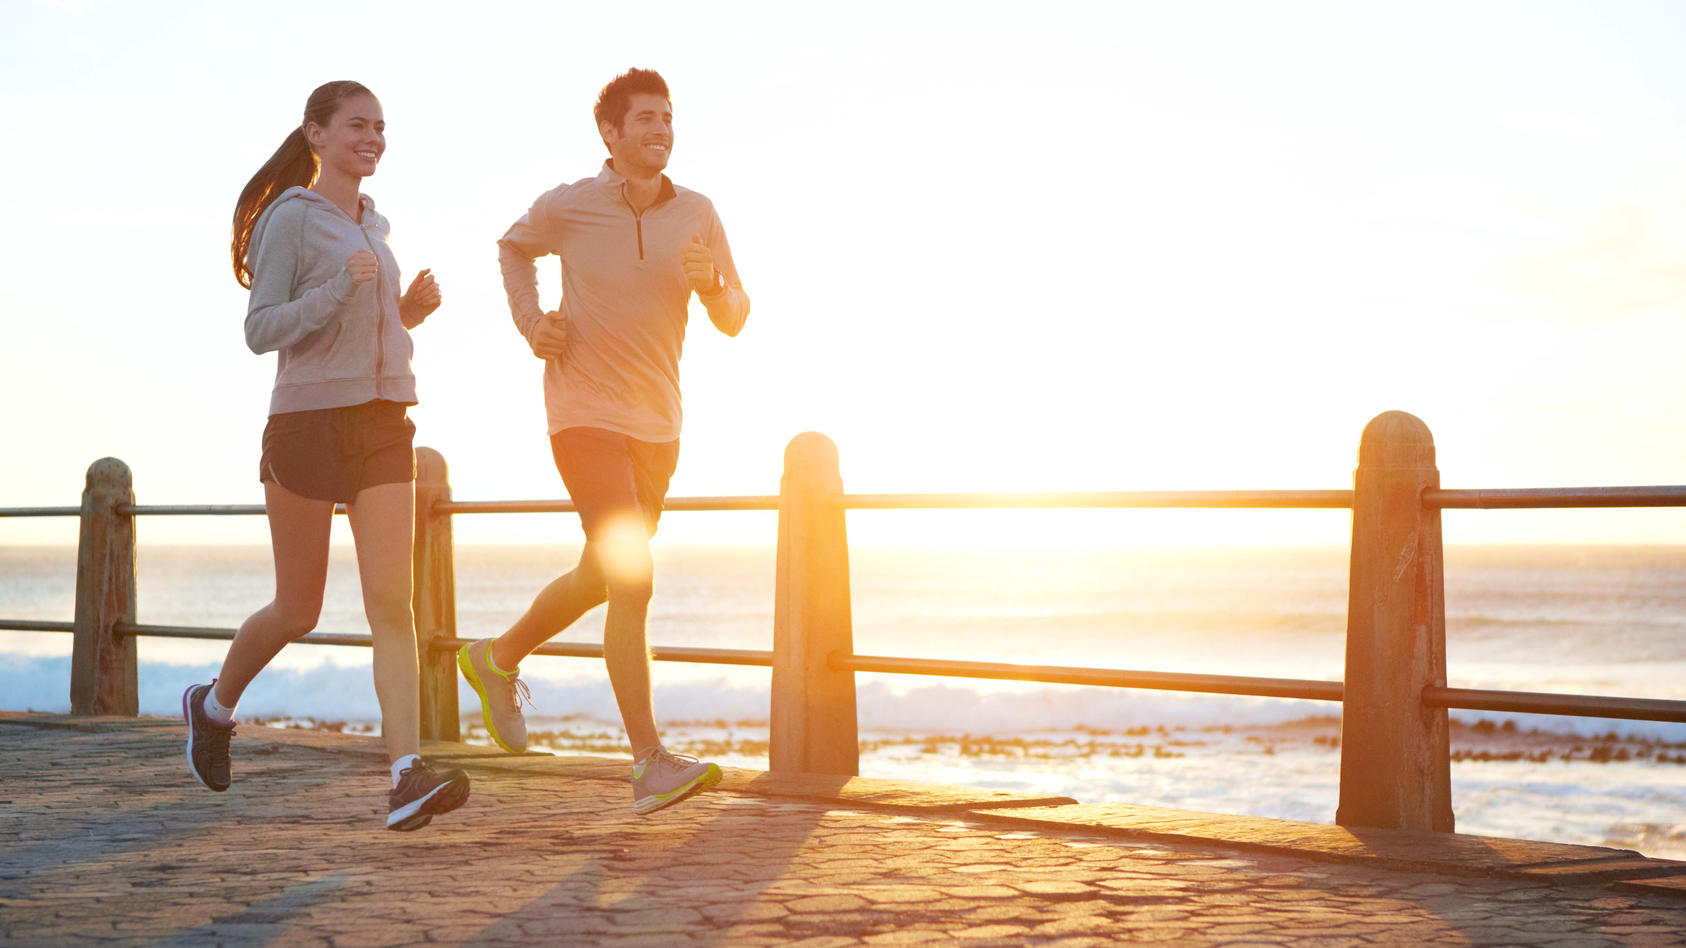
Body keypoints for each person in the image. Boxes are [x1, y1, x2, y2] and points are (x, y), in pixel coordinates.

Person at [459, 68, 750, 815]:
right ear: (611, 134)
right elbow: (511, 247)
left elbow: (736, 314)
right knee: (634, 578)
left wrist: (712, 283)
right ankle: (649, 760)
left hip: (660, 427)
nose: (660, 128)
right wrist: (532, 324)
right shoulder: (571, 206)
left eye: (667, 117)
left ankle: (495, 660)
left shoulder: (700, 212)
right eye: (645, 118)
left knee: (601, 576)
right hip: (583, 415)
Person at [182, 80, 470, 831]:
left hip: (381, 421)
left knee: (393, 605)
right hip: (307, 425)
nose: (372, 138)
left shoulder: (376, 227)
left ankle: (406, 773)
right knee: (298, 608)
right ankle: (213, 707)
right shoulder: (291, 218)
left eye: (380, 127)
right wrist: (342, 290)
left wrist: (403, 316)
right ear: (316, 134)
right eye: (356, 125)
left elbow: (363, 333)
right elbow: (262, 328)